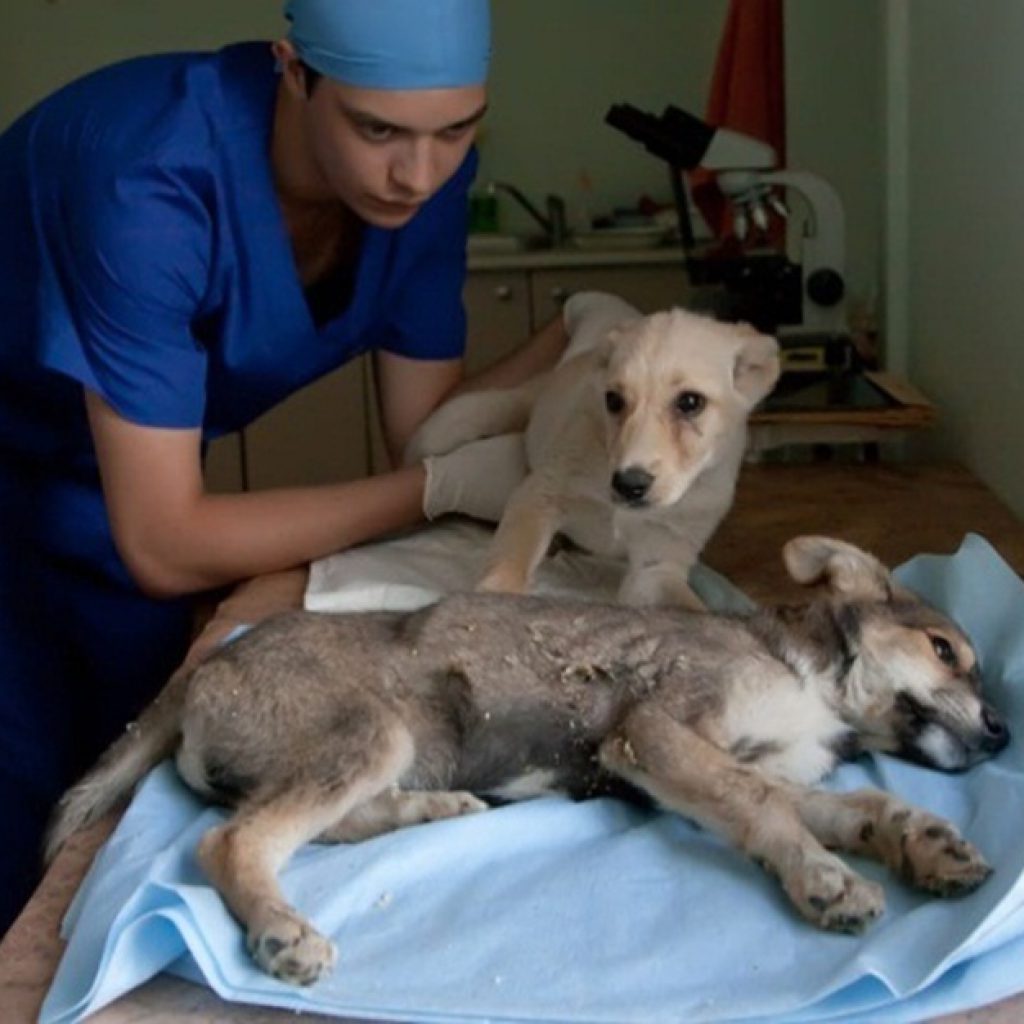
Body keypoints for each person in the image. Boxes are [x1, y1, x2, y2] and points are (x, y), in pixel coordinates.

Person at [0, 0, 567, 936]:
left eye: (456, 130)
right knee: (26, 815)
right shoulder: (147, 179)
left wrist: (578, 346)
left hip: (106, 499)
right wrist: (428, 493)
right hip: (49, 496)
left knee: (126, 803)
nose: (418, 172)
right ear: (293, 70)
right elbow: (167, 543)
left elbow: (430, 430)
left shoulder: (420, 189)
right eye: (377, 128)